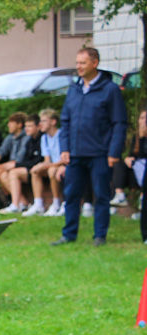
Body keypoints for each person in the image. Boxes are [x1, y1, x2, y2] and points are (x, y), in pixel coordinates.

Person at [53, 48, 127, 247]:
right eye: (77, 62)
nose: (78, 66)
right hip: (75, 153)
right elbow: (65, 121)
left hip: (100, 153)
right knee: (71, 194)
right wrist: (64, 148)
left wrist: (114, 151)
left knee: (101, 195)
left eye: (82, 63)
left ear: (95, 63)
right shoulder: (74, 89)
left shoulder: (110, 90)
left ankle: (99, 236)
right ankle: (69, 234)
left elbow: (119, 123)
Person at [2, 114, 44, 215]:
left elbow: (38, 160)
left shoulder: (42, 139)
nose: (27, 129)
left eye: (30, 126)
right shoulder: (29, 140)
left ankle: (16, 205)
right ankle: (20, 203)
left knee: (13, 172)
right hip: (31, 169)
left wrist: (16, 165)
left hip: (40, 170)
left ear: (38, 127)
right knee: (5, 174)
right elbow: (26, 160)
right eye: (26, 126)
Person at [28, 109, 66, 218]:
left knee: (52, 170)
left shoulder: (61, 134)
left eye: (44, 121)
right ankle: (38, 204)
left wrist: (47, 165)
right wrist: (40, 166)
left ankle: (56, 203)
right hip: (53, 165)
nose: (40, 124)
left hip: (62, 165)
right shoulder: (44, 137)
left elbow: (63, 159)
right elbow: (47, 160)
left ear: (53, 122)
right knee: (35, 171)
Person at [0, 113, 28, 213]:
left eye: (11, 122)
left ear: (19, 125)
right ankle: (19, 202)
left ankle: (21, 202)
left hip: (22, 166)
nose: (8, 125)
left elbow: (20, 159)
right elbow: (0, 153)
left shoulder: (26, 137)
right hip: (12, 165)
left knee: (0, 171)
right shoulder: (11, 137)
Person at [110, 109, 146, 209]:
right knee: (118, 165)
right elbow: (133, 154)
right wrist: (128, 159)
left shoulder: (142, 137)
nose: (144, 121)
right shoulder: (136, 137)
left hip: (143, 169)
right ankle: (119, 195)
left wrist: (143, 138)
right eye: (142, 118)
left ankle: (142, 200)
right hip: (135, 170)